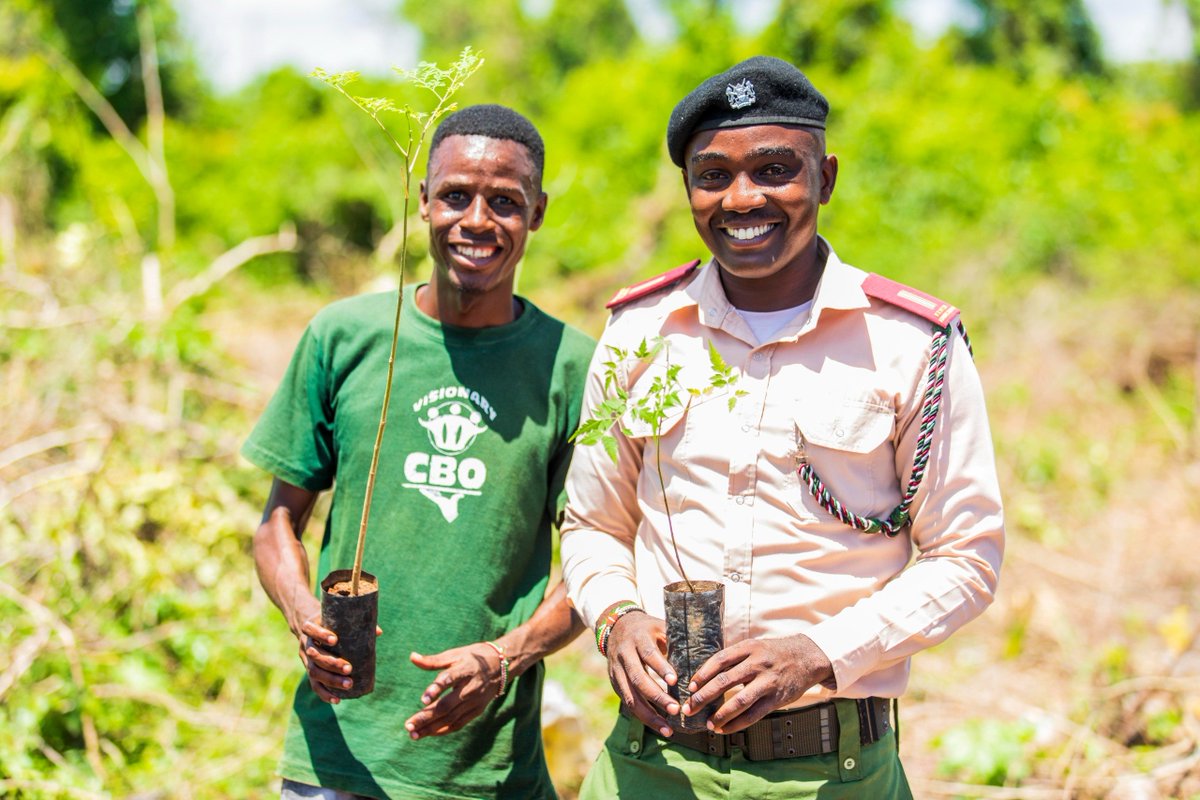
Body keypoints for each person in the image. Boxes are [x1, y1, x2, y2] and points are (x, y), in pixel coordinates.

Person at [560, 56, 1005, 798]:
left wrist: (818, 653)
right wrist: (619, 618)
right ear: (688, 189)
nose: (742, 199)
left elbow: (967, 556)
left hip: (832, 772)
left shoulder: (908, 342)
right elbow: (589, 525)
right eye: (713, 175)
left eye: (774, 170)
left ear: (825, 178)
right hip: (651, 764)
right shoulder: (640, 331)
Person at [244, 104, 595, 800]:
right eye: (457, 196)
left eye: (505, 202)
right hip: (337, 762)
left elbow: (596, 566)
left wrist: (503, 657)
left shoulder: (572, 368)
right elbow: (277, 522)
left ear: (539, 213)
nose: (477, 220)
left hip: (489, 773)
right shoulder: (345, 337)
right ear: (423, 199)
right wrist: (303, 615)